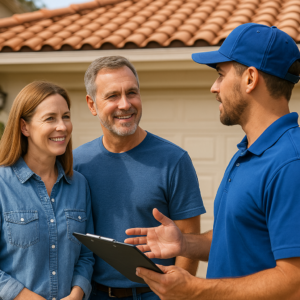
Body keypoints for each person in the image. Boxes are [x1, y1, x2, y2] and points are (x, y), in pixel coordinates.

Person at [125, 23, 300, 299]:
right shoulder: (248, 153)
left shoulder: (291, 163)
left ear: (250, 78)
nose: (213, 87)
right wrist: (184, 243)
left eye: (220, 75)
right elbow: (238, 240)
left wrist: (195, 290)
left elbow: (294, 283)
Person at [73, 56, 206, 299]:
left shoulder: (174, 160)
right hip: (92, 293)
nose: (125, 104)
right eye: (113, 96)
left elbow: (190, 242)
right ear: (92, 105)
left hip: (154, 294)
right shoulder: (76, 163)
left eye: (132, 92)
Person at [0, 81, 94, 300]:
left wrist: (77, 294)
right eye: (50, 118)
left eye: (66, 116)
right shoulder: (2, 184)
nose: (62, 126)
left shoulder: (79, 185)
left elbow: (87, 255)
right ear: (25, 127)